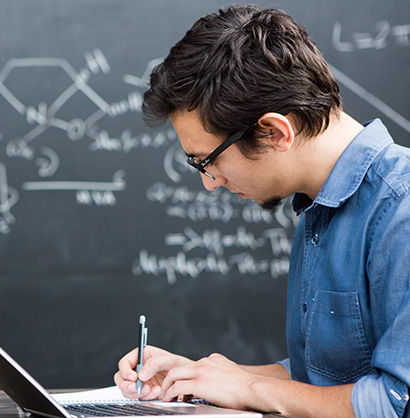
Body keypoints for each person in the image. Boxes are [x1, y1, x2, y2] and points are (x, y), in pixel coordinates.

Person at [114, 5, 410, 418]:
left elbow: (396, 402)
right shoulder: (318, 208)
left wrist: (248, 386)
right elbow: (326, 378)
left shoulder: (401, 210)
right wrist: (201, 378)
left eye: (207, 160)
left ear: (274, 132)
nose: (209, 181)